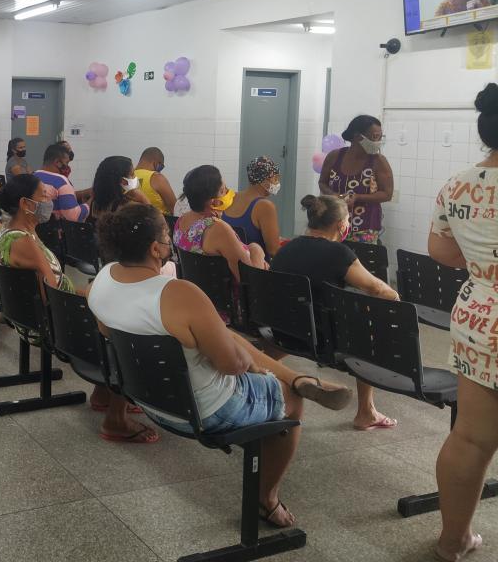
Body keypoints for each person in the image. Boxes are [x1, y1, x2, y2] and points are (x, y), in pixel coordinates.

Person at [89, 202, 351, 527]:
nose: (170, 242)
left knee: (221, 334)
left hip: (150, 400)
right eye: (167, 235)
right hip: (207, 411)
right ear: (156, 249)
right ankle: (266, 499)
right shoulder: (178, 293)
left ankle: (294, 376)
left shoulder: (103, 279)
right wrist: (248, 363)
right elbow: (233, 366)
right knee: (291, 401)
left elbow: (107, 331)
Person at [0, 175, 158, 444]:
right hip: (52, 323)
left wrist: (90, 293)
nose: (49, 200)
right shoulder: (25, 242)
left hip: (28, 317)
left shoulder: (7, 233)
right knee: (129, 323)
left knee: (108, 297)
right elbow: (54, 294)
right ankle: (116, 418)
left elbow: (52, 287)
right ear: (25, 203)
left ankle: (104, 393)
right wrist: (91, 297)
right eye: (43, 195)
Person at [431, 83, 498, 562]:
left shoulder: (458, 185)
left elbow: (441, 250)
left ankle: (452, 541)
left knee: (472, 437)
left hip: (480, 314)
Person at [270, 194, 397, 431]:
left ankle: (260, 366)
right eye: (347, 220)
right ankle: (366, 412)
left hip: (282, 330)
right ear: (340, 225)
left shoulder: (287, 248)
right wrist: (395, 298)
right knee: (367, 329)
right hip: (322, 340)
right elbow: (377, 289)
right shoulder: (339, 254)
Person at [174, 165, 266, 281]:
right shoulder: (217, 229)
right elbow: (250, 280)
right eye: (223, 191)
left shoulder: (180, 221)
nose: (228, 193)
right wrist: (256, 250)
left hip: (193, 289)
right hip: (222, 292)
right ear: (214, 202)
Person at [320, 114, 392, 245]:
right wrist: (334, 195)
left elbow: (387, 194)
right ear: (358, 136)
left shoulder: (378, 161)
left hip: (364, 228)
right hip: (333, 223)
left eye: (381, 137)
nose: (378, 141)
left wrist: (358, 197)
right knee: (332, 258)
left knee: (358, 259)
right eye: (375, 137)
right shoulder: (334, 156)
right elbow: (322, 183)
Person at [222, 156, 283, 256]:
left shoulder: (231, 197)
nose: (277, 183)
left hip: (228, 262)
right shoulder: (265, 206)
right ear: (264, 180)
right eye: (275, 179)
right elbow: (273, 250)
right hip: (254, 264)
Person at [35, 143, 89, 222]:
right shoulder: (61, 181)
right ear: (57, 162)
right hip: (54, 228)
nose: (67, 166)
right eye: (66, 163)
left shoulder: (32, 175)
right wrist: (88, 204)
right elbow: (74, 216)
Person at [89, 155, 147, 223]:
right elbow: (155, 222)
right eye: (132, 174)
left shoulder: (92, 203)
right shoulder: (129, 207)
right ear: (123, 181)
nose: (135, 177)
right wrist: (143, 199)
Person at [134, 147, 176, 215]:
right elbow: (175, 208)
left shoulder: (128, 176)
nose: (160, 170)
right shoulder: (156, 177)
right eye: (161, 167)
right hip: (156, 219)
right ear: (156, 163)